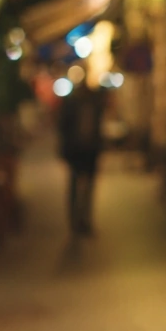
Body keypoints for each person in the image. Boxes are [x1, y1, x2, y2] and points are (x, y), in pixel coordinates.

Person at [58, 78, 107, 236]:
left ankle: (84, 220)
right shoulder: (72, 105)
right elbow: (63, 127)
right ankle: (75, 222)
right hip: (76, 151)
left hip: (90, 151)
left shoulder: (94, 105)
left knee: (88, 188)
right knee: (75, 186)